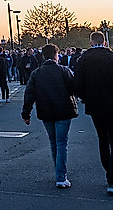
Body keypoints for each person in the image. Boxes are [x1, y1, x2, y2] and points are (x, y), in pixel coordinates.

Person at [73, 31, 113, 196]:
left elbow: (78, 84)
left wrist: (85, 98)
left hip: (95, 105)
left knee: (102, 139)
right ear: (105, 42)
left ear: (91, 42)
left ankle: (109, 173)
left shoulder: (83, 60)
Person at [21, 44, 78, 189]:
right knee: (62, 143)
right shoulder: (64, 71)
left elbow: (29, 95)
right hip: (64, 110)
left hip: (45, 110)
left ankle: (58, 172)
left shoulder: (37, 73)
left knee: (54, 143)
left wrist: (26, 113)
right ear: (56, 55)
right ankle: (61, 176)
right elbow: (74, 88)